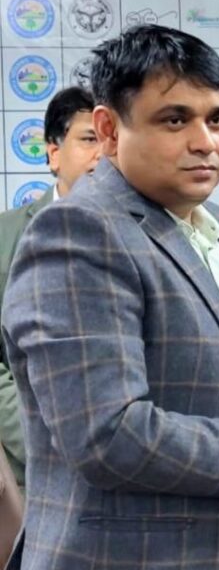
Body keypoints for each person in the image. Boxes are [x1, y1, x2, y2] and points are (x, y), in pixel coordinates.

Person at [0, 25, 219, 570]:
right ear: (109, 130)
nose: (205, 141)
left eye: (218, 119)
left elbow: (203, 370)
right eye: (175, 120)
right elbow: (108, 433)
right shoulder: (78, 233)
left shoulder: (213, 223)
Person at [0, 86, 101, 497]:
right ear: (54, 153)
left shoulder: (149, 236)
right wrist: (39, 441)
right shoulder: (6, 235)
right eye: (89, 139)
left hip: (131, 478)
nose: (103, 154)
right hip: (33, 478)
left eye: (111, 140)